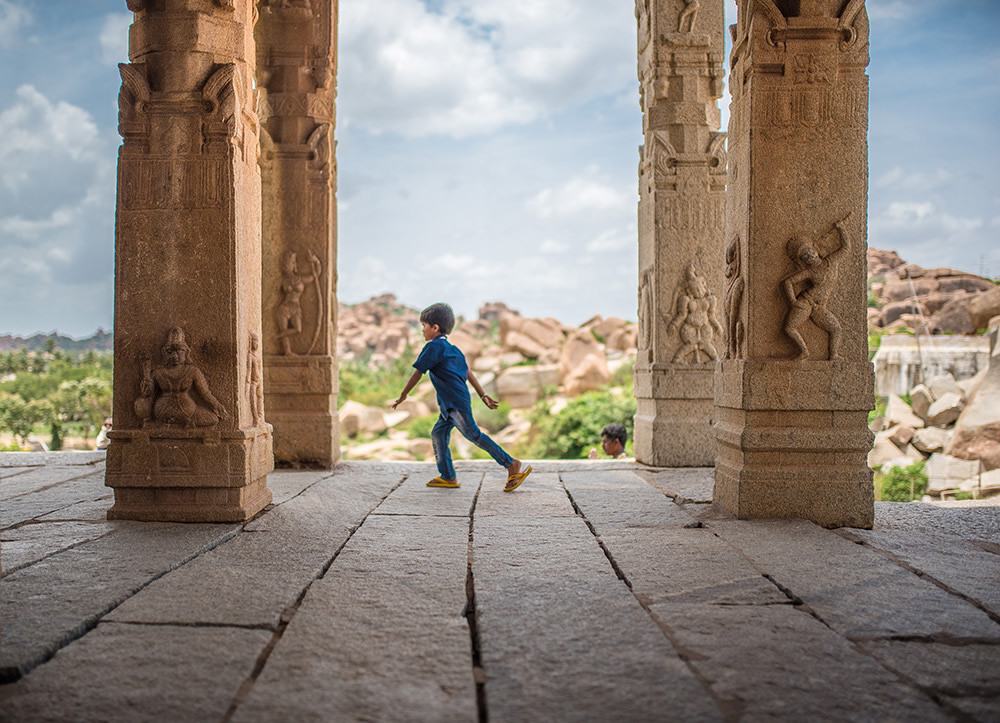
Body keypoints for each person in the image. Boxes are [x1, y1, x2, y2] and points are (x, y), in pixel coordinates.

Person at [391, 303, 532, 492]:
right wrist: (483, 395)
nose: (422, 331)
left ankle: (511, 464)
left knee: (473, 435)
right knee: (438, 434)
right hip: (451, 403)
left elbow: (418, 373)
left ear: (435, 328)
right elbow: (467, 372)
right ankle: (448, 476)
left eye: (424, 326)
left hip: (454, 403)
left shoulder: (433, 346)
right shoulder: (454, 349)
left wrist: (403, 394)